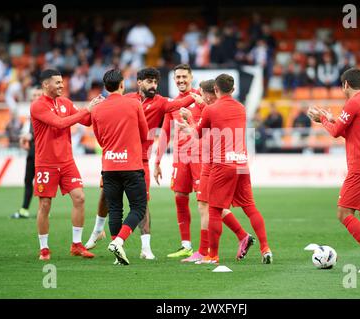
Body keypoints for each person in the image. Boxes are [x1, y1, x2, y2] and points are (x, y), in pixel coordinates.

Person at [84, 67, 196, 260]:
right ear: (139, 82)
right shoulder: (127, 99)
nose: (153, 85)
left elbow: (180, 102)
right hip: (120, 156)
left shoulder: (160, 102)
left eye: (155, 82)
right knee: (107, 196)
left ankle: (145, 248)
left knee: (142, 202)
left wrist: (196, 94)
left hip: (140, 159)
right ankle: (97, 231)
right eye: (149, 82)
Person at [182, 74, 273, 264]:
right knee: (250, 208)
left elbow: (198, 135)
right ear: (233, 90)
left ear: (215, 90)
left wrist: (190, 119)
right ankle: (266, 248)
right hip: (241, 163)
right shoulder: (241, 108)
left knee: (214, 210)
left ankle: (212, 255)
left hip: (222, 164)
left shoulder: (210, 110)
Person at [307, 68, 360, 273]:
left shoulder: (353, 102)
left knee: (343, 212)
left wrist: (322, 120)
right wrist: (332, 119)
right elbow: (354, 133)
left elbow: (335, 133)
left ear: (345, 85)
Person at [31, 69, 103, 261]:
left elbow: (86, 120)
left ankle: (77, 245)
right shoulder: (37, 106)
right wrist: (86, 110)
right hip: (46, 163)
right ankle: (44, 248)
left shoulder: (65, 102)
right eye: (57, 83)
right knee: (45, 205)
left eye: (62, 82)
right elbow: (60, 124)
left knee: (79, 198)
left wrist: (98, 108)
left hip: (67, 161)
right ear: (46, 85)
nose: (62, 85)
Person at [90, 69, 149, 265]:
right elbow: (144, 132)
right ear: (122, 85)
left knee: (115, 209)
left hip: (109, 166)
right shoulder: (134, 104)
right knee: (139, 208)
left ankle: (117, 252)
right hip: (131, 165)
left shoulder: (97, 109)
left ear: (106, 87)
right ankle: (119, 242)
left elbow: (100, 139)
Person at [154, 64, 204, 258]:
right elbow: (165, 133)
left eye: (184, 76)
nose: (181, 80)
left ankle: (207, 247)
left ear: (191, 77)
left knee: (205, 202)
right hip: (180, 158)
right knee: (180, 198)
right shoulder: (172, 103)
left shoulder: (200, 97)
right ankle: (186, 245)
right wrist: (157, 161)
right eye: (178, 77)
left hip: (200, 157)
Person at [11, 86, 43, 219]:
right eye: (33, 95)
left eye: (37, 95)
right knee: (28, 180)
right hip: (32, 151)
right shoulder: (33, 112)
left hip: (41, 153)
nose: (35, 97)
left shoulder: (43, 110)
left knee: (41, 182)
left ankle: (43, 210)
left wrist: (29, 137)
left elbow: (40, 132)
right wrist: (26, 139)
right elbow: (32, 132)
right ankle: (24, 209)